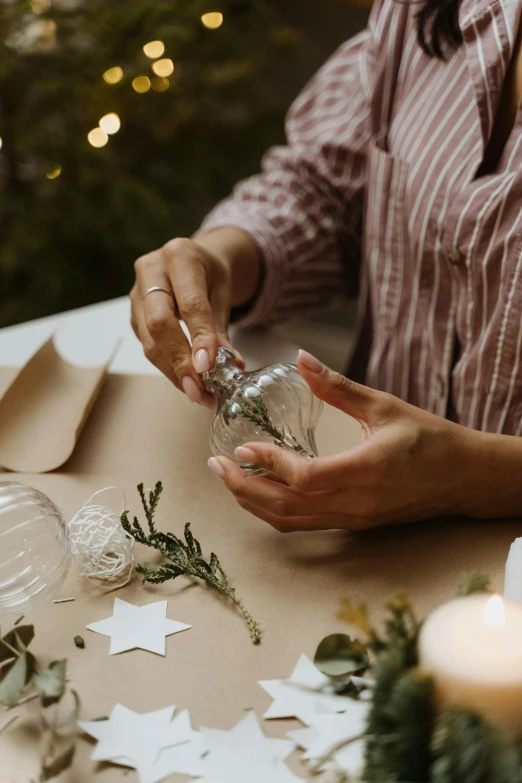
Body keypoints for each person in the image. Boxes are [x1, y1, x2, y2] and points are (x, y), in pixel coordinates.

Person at [131, 0, 522, 532]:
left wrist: (480, 474)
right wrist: (228, 256)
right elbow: (329, 190)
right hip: (365, 535)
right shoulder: (425, 12)